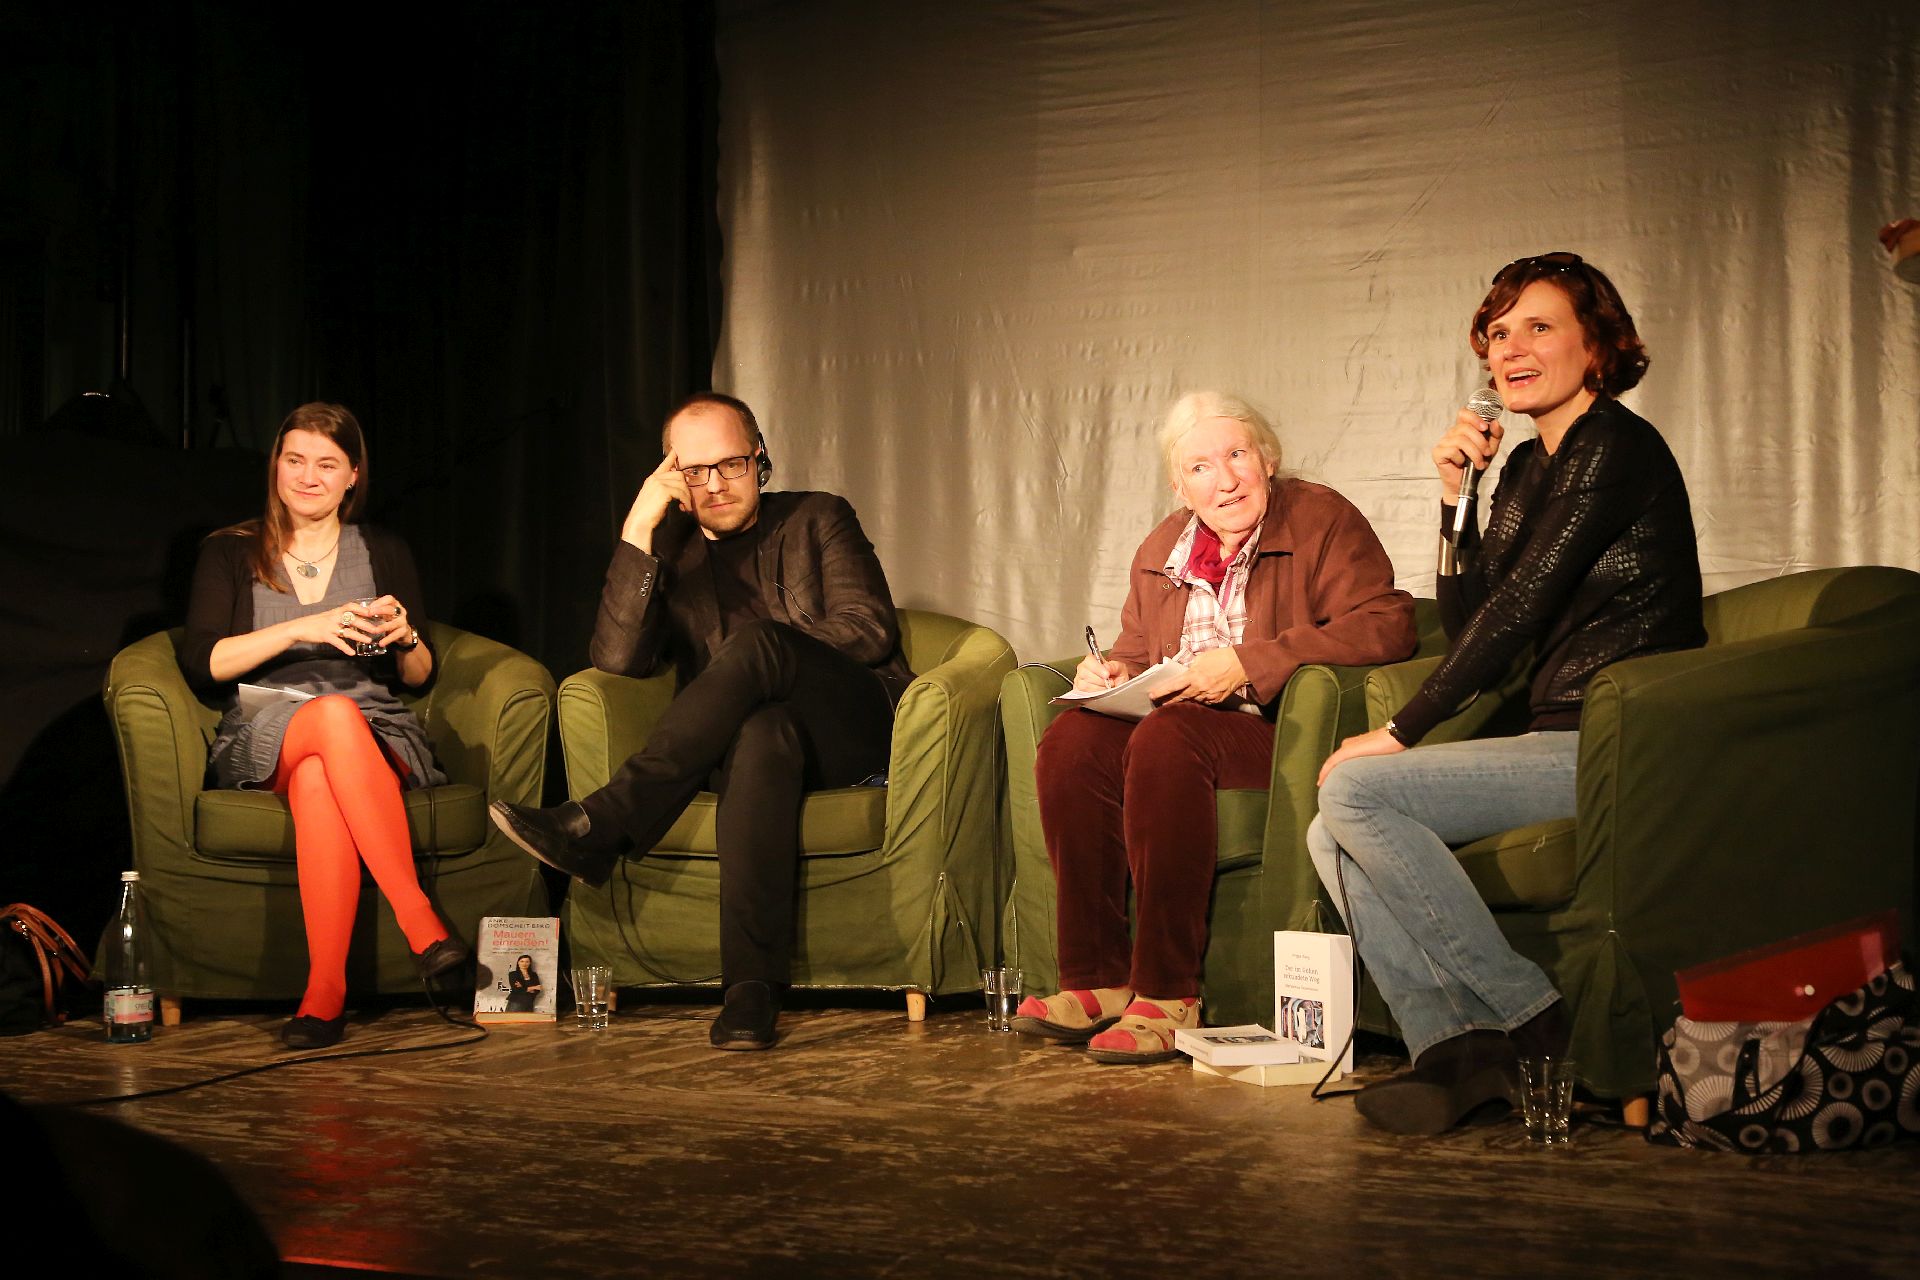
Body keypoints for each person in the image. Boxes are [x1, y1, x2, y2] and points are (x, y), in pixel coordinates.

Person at [1308, 252, 1705, 1134]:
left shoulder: (1614, 447)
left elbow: (1516, 616)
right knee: (1324, 829)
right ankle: (1455, 1048)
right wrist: (1458, 497)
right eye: (1497, 333)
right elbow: (1475, 609)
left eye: (1539, 326)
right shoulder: (1528, 466)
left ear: (1597, 343)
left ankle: (1532, 1018)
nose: (1511, 348)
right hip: (1552, 734)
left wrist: (1403, 731)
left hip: (1615, 742)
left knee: (1354, 789)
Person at [489, 392, 912, 1051]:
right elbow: (616, 658)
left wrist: (775, 657)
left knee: (760, 648)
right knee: (759, 733)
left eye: (733, 464)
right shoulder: (674, 556)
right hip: (759, 746)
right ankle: (750, 991)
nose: (715, 484)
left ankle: (607, 818)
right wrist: (638, 530)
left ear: (761, 458)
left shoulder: (817, 517)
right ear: (671, 476)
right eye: (695, 470)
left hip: (851, 727)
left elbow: (869, 629)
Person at [1012, 391, 1417, 1063]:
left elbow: (1389, 623)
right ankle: (1098, 980)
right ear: (1180, 483)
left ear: (1268, 458)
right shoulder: (1161, 548)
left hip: (1278, 733)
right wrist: (1109, 674)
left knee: (1172, 736)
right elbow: (1137, 652)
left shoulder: (1320, 518)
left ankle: (1170, 994)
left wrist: (1250, 663)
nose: (1224, 479)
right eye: (1201, 466)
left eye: (1238, 455)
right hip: (1174, 733)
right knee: (1073, 742)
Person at [180, 402, 467, 1051]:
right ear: (276, 465)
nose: (308, 476)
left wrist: (407, 637)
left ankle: (324, 998)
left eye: (326, 464)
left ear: (352, 477)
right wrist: (300, 627)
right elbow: (204, 664)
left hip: (373, 724)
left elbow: (419, 675)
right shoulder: (229, 552)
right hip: (265, 722)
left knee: (319, 777)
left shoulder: (384, 549)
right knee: (325, 722)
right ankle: (422, 924)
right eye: (295, 459)